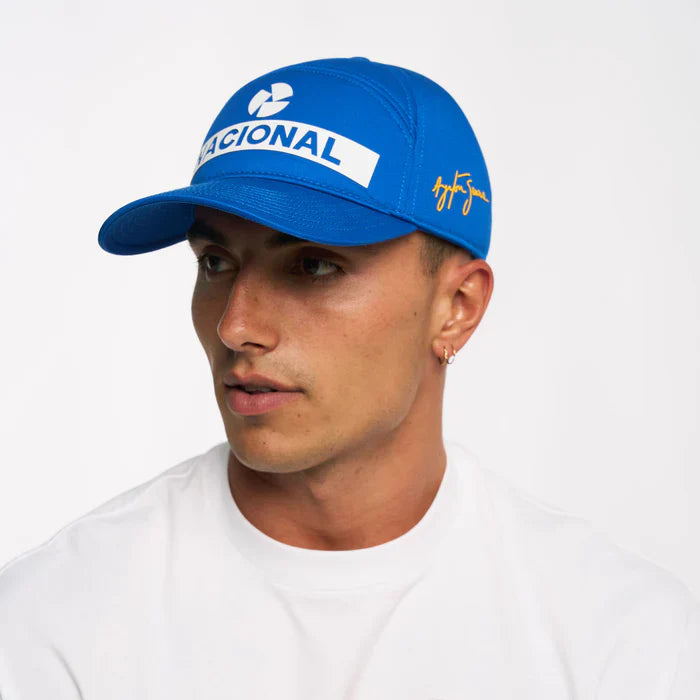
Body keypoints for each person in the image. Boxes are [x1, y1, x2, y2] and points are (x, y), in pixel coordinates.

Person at [0, 56, 697, 699]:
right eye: (215, 262)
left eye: (312, 265)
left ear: (457, 308)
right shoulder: (51, 624)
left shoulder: (626, 644)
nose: (235, 325)